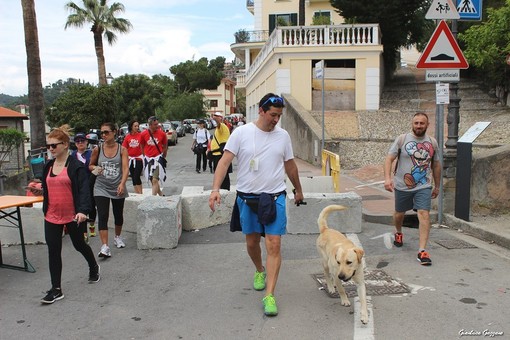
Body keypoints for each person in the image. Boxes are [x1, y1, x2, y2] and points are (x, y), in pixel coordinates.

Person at [208, 93, 304, 317]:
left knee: (274, 244)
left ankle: (269, 295)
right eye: (272, 115)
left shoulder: (283, 136)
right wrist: (215, 189)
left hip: (274, 197)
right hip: (247, 198)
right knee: (252, 242)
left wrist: (298, 189)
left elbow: (290, 166)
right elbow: (224, 162)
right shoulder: (241, 133)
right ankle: (259, 270)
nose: (276, 120)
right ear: (261, 111)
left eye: (279, 116)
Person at [40, 125, 100, 304]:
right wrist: (38, 191)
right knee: (53, 250)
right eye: (48, 146)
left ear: (65, 145)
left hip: (73, 215)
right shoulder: (48, 166)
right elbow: (48, 188)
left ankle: (93, 266)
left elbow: (84, 191)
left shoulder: (76, 167)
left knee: (79, 244)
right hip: (51, 214)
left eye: (54, 145)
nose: (50, 149)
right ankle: (56, 289)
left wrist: (82, 211)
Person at [383, 112, 441, 266]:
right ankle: (399, 232)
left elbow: (436, 165)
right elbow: (389, 158)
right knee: (399, 214)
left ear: (427, 125)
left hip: (424, 185)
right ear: (412, 124)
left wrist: (437, 185)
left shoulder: (432, 143)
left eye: (422, 123)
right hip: (402, 185)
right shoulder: (402, 139)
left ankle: (422, 250)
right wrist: (388, 178)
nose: (419, 126)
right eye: (416, 123)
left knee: (423, 214)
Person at [90, 122, 129, 258]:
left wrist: (122, 184)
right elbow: (90, 165)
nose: (104, 135)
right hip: (101, 186)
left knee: (118, 215)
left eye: (106, 132)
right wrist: (95, 169)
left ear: (114, 132)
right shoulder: (98, 149)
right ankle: (105, 246)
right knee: (103, 215)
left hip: (117, 185)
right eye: (102, 133)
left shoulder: (122, 150)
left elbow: (125, 168)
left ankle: (117, 237)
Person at [71, 132, 97, 240]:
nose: (80, 143)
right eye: (78, 141)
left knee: (92, 206)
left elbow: (95, 166)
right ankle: (84, 233)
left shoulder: (91, 153)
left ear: (86, 142)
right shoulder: (72, 155)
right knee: (81, 207)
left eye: (82, 141)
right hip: (78, 185)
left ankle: (91, 226)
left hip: (91, 183)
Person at [140, 116, 168, 196]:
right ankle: (161, 195)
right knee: (152, 180)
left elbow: (165, 145)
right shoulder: (144, 134)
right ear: (150, 125)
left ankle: (153, 198)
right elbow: (141, 145)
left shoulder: (162, 134)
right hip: (148, 159)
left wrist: (164, 155)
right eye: (155, 124)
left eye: (157, 124)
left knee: (155, 180)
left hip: (157, 159)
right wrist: (144, 155)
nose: (157, 126)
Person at [210, 112, 231, 190]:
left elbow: (219, 124)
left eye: (217, 116)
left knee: (221, 174)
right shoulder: (221, 127)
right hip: (217, 154)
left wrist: (217, 120)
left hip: (219, 154)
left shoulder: (221, 126)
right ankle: (223, 189)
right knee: (222, 174)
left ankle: (223, 190)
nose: (214, 117)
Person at [122, 120, 144, 194]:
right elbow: (124, 148)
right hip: (130, 159)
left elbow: (144, 146)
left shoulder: (140, 135)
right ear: (131, 127)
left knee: (137, 176)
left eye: (138, 126)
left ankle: (140, 193)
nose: (137, 127)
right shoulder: (127, 137)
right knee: (133, 177)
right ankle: (137, 192)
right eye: (135, 126)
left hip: (139, 158)